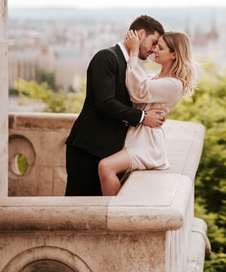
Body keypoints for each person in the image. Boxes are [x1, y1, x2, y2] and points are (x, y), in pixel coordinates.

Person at [64, 15, 167, 196]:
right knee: (80, 208)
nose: (153, 50)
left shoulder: (132, 65)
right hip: (87, 148)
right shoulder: (107, 57)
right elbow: (105, 103)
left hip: (108, 151)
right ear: (140, 34)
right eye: (153, 42)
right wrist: (143, 117)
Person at [98, 29, 197, 196]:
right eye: (156, 45)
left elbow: (139, 91)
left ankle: (115, 217)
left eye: (161, 48)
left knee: (106, 167)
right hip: (136, 135)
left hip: (146, 143)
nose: (155, 50)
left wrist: (134, 53)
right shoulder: (154, 77)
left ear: (174, 54)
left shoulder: (174, 85)